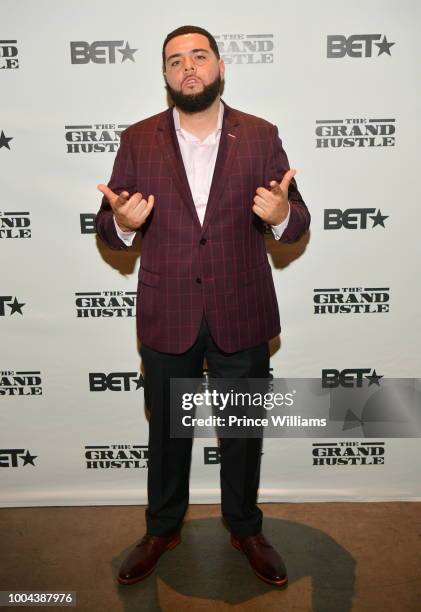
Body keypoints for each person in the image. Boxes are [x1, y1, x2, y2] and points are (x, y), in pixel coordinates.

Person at [96, 25, 310, 587]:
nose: (187, 67)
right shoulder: (137, 138)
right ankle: (162, 528)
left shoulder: (260, 135)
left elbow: (297, 222)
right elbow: (107, 223)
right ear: (165, 75)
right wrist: (121, 225)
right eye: (174, 61)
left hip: (242, 310)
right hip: (168, 312)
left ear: (219, 66)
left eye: (198, 56)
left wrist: (282, 212)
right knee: (167, 432)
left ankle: (245, 527)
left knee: (242, 431)